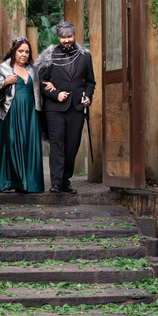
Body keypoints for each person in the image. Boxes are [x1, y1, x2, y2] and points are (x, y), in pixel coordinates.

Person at [36, 22, 95, 194]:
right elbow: (40, 82)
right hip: (54, 109)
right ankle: (56, 183)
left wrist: (87, 96)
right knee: (57, 144)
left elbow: (90, 82)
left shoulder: (84, 56)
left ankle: (65, 181)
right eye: (63, 37)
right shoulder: (49, 56)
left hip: (76, 108)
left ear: (74, 35)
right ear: (59, 37)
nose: (66, 40)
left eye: (69, 36)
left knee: (72, 146)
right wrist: (56, 94)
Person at [0, 37, 45, 194]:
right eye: (20, 51)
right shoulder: (3, 68)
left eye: (27, 51)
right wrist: (6, 82)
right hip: (11, 111)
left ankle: (29, 183)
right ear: (14, 52)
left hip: (30, 112)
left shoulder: (33, 69)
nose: (24, 54)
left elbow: (38, 90)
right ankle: (11, 181)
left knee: (29, 144)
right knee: (12, 143)